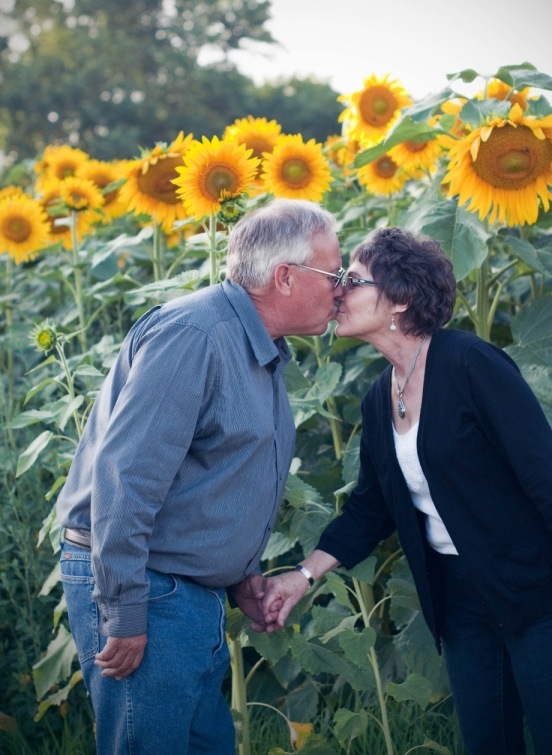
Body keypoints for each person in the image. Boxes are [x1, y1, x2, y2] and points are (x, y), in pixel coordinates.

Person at [262, 226, 552, 755]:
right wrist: (303, 576)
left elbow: (543, 468)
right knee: (488, 742)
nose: (337, 292)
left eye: (352, 281)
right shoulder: (380, 398)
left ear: (398, 298)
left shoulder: (471, 365)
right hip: (459, 598)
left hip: (534, 588)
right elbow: (371, 508)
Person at [56, 198, 345, 755]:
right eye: (333, 273)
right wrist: (124, 611)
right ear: (285, 278)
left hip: (187, 594)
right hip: (146, 587)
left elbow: (218, 474)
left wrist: (242, 577)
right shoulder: (197, 335)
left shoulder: (257, 345)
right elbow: (126, 480)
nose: (340, 288)